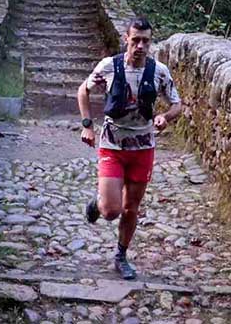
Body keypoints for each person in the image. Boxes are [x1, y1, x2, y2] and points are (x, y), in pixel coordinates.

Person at [76, 16, 182, 280]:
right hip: (112, 145)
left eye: (146, 41)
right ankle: (98, 203)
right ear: (127, 39)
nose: (140, 46)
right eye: (136, 40)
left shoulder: (159, 71)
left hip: (143, 148)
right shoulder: (109, 66)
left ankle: (121, 256)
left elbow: (177, 104)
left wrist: (165, 117)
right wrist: (87, 125)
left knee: (131, 207)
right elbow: (83, 91)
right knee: (111, 211)